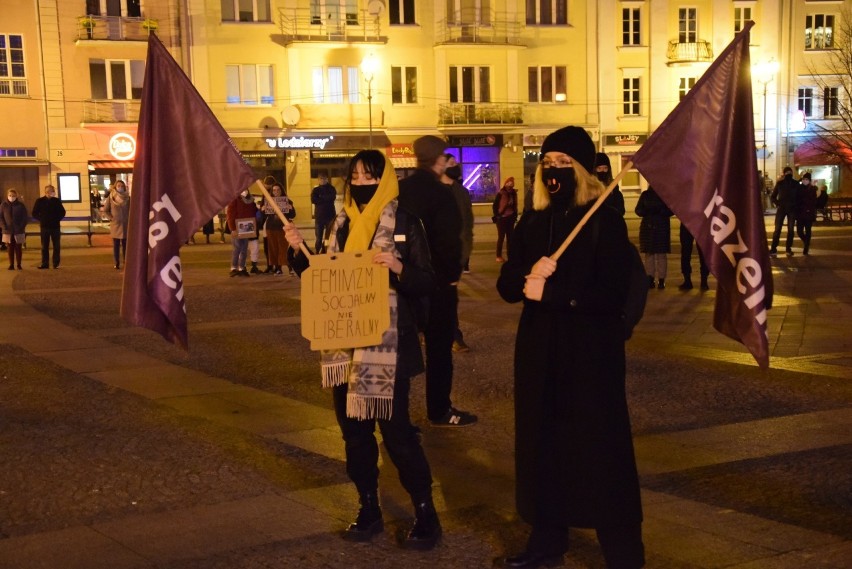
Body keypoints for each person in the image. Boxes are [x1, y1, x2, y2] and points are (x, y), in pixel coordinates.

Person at [496, 125, 644, 569]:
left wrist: (556, 294)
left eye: (563, 163)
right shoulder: (533, 221)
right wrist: (526, 279)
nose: (553, 171)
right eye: (546, 163)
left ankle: (624, 553)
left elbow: (614, 295)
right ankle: (547, 540)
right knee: (543, 446)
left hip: (590, 356)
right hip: (540, 352)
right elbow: (506, 286)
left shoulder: (603, 222)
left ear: (581, 169)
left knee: (600, 449)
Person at [284, 149, 442, 550]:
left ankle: (426, 513)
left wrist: (399, 267)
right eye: (354, 176)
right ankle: (368, 507)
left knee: (398, 435)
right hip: (344, 344)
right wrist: (297, 250)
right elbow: (321, 278)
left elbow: (426, 282)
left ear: (384, 179)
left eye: (369, 177)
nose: (361, 183)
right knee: (354, 434)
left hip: (389, 347)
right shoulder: (338, 226)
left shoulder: (404, 222)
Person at [398, 135, 476, 427]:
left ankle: (399, 416)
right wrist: (453, 276)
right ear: (439, 159)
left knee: (403, 347)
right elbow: (448, 241)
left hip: (407, 280)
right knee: (439, 350)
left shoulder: (401, 189)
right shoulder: (441, 194)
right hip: (439, 284)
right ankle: (439, 409)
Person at [441, 153, 473, 353]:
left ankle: (453, 336)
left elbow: (467, 223)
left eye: (456, 163)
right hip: (434, 254)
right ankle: (452, 336)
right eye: (451, 163)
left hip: (454, 254)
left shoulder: (461, 191)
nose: (456, 166)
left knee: (448, 297)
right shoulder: (433, 191)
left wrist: (465, 252)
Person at [635, 187, 673, 289]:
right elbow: (638, 210)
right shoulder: (645, 195)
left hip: (661, 227)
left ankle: (661, 280)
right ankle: (650, 278)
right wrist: (647, 211)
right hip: (648, 226)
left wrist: (661, 211)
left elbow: (671, 210)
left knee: (661, 255)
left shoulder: (665, 194)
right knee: (649, 254)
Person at [262, 183, 296, 275]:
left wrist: (291, 209)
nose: (276, 192)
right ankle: (278, 268)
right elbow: (263, 216)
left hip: (283, 228)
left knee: (284, 248)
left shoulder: (287, 201)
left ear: (282, 191)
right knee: (273, 248)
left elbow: (293, 215)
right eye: (274, 190)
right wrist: (262, 210)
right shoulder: (268, 201)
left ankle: (289, 267)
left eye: (278, 190)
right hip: (271, 228)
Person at [31, 184, 67, 269]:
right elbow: (34, 213)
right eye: (51, 190)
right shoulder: (40, 201)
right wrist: (42, 219)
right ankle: (45, 263)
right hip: (45, 227)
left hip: (55, 227)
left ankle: (55, 263)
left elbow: (62, 212)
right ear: (46, 192)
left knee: (56, 246)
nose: (52, 192)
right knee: (44, 246)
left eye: (53, 190)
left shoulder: (56, 201)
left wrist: (57, 219)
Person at [226, 188, 258, 277]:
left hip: (247, 227)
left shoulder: (250, 200)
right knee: (237, 248)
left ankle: (242, 267)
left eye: (246, 189)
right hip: (237, 227)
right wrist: (232, 229)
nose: (245, 191)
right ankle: (233, 268)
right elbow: (230, 214)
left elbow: (254, 212)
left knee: (244, 249)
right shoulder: (235, 199)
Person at [769, 166, 800, 257]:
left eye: (789, 172)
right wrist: (778, 204)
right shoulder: (780, 184)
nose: (788, 174)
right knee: (777, 229)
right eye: (787, 173)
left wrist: (795, 205)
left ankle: (788, 249)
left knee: (790, 230)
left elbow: (799, 197)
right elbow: (773, 196)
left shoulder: (795, 183)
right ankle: (773, 249)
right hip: (782, 209)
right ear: (784, 173)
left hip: (791, 209)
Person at [103, 180, 130, 270]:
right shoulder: (111, 197)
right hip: (116, 224)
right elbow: (106, 210)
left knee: (126, 245)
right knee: (116, 245)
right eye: (118, 185)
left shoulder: (128, 197)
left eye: (122, 186)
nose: (120, 187)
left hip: (126, 224)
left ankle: (126, 262)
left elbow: (132, 210)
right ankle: (116, 262)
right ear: (115, 187)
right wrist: (111, 218)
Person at [0, 188, 28, 270]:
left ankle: (19, 264)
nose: (11, 197)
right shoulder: (3, 205)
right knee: (10, 248)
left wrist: (21, 227)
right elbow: (1, 217)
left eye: (13, 195)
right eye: (10, 195)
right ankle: (11, 264)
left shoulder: (21, 205)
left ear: (16, 196)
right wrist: (3, 226)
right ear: (7, 196)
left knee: (18, 247)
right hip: (7, 230)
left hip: (19, 230)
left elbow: (25, 217)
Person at [677, 222, 710, 291]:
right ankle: (703, 282)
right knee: (701, 253)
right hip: (700, 222)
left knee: (686, 252)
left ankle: (688, 280)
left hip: (688, 222)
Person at [311, 173, 337, 252]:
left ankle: (326, 251)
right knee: (318, 237)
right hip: (319, 218)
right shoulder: (316, 190)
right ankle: (317, 251)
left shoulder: (331, 188)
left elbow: (332, 197)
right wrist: (325, 198)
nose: (322, 180)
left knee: (328, 237)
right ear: (318, 180)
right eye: (321, 179)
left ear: (327, 179)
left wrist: (321, 197)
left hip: (330, 216)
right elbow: (313, 200)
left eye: (324, 178)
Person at [494, 177, 518, 263]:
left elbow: (515, 205)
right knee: (501, 237)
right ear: (505, 183)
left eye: (511, 183)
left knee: (510, 238)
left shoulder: (514, 193)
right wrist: (497, 215)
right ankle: (498, 256)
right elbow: (495, 205)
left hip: (510, 218)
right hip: (501, 218)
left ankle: (510, 256)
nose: (510, 184)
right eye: (508, 183)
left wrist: (515, 215)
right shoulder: (501, 193)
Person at [796, 172, 817, 255]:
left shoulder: (812, 189)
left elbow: (813, 201)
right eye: (804, 179)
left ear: (809, 180)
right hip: (800, 213)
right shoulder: (799, 188)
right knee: (799, 231)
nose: (805, 181)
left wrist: (809, 209)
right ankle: (806, 242)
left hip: (808, 213)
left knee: (808, 231)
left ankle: (806, 248)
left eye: (806, 179)